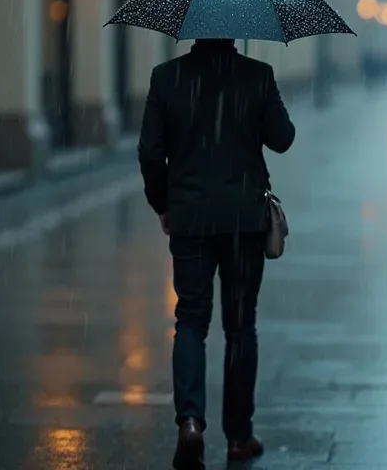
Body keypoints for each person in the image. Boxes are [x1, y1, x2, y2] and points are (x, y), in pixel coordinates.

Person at [138, 38, 296, 470]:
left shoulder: (167, 77)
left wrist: (164, 204)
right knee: (241, 328)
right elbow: (283, 139)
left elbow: (150, 152)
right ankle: (239, 437)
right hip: (245, 219)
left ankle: (190, 421)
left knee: (190, 318)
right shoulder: (256, 76)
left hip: (190, 219)